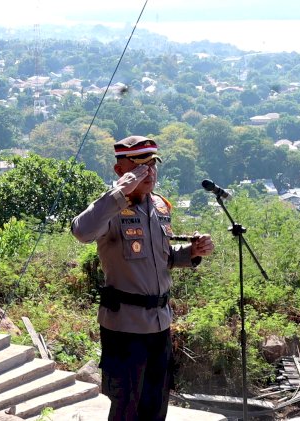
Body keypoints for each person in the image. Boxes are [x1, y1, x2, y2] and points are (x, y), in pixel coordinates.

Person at [71, 135, 214, 421]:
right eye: (138, 167)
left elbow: (165, 258)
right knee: (125, 408)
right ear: (119, 171)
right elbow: (81, 231)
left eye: (152, 165)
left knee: (155, 405)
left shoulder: (160, 206)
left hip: (159, 324)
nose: (148, 173)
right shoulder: (108, 209)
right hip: (125, 326)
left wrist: (192, 252)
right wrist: (120, 192)